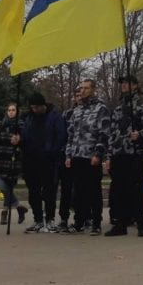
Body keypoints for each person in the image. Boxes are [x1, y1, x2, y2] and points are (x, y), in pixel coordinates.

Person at [104, 74, 143, 237]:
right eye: (122, 83)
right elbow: (112, 133)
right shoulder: (118, 108)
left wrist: (139, 134)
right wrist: (109, 155)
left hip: (135, 153)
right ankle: (120, 224)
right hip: (119, 154)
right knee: (119, 190)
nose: (124, 85)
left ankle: (141, 223)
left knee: (137, 189)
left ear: (135, 85)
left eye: (127, 83)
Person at [64, 79, 111, 235]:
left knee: (93, 191)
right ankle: (79, 222)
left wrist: (98, 154)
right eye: (81, 88)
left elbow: (104, 133)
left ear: (93, 90)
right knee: (78, 191)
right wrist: (68, 155)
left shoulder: (100, 108)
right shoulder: (77, 110)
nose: (82, 91)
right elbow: (71, 135)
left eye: (86, 88)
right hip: (77, 155)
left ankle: (96, 223)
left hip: (91, 156)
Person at [20, 92, 66, 232]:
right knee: (33, 191)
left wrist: (52, 152)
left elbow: (61, 135)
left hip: (48, 160)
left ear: (43, 105)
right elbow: (25, 136)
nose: (35, 110)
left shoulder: (54, 116)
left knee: (49, 191)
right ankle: (38, 219)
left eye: (37, 107)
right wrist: (19, 141)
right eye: (32, 107)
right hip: (30, 159)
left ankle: (50, 219)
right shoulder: (29, 118)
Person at [0, 102, 27, 227]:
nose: (11, 112)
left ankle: (4, 212)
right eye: (9, 110)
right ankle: (19, 207)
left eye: (14, 110)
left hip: (12, 161)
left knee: (8, 187)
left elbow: (27, 142)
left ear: (17, 112)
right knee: (3, 187)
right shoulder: (0, 124)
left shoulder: (21, 125)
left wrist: (19, 141)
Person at [57, 89, 83, 233]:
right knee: (66, 189)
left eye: (81, 95)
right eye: (77, 95)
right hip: (68, 155)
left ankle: (83, 216)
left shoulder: (89, 112)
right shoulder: (67, 114)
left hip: (82, 155)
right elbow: (64, 134)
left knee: (81, 188)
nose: (79, 97)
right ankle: (64, 218)